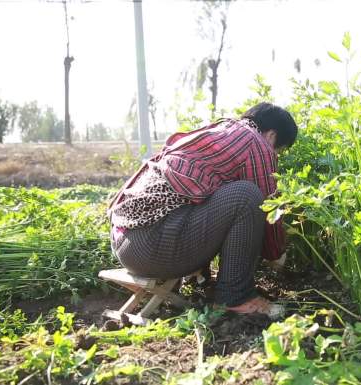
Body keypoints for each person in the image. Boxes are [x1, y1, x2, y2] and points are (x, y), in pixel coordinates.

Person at [107, 102, 297, 320]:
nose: (276, 156)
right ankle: (237, 297)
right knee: (246, 196)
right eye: (279, 151)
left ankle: (199, 280)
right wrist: (277, 253)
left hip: (126, 245)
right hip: (151, 249)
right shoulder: (256, 142)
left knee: (226, 196)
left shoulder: (219, 132)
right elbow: (269, 208)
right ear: (272, 136)